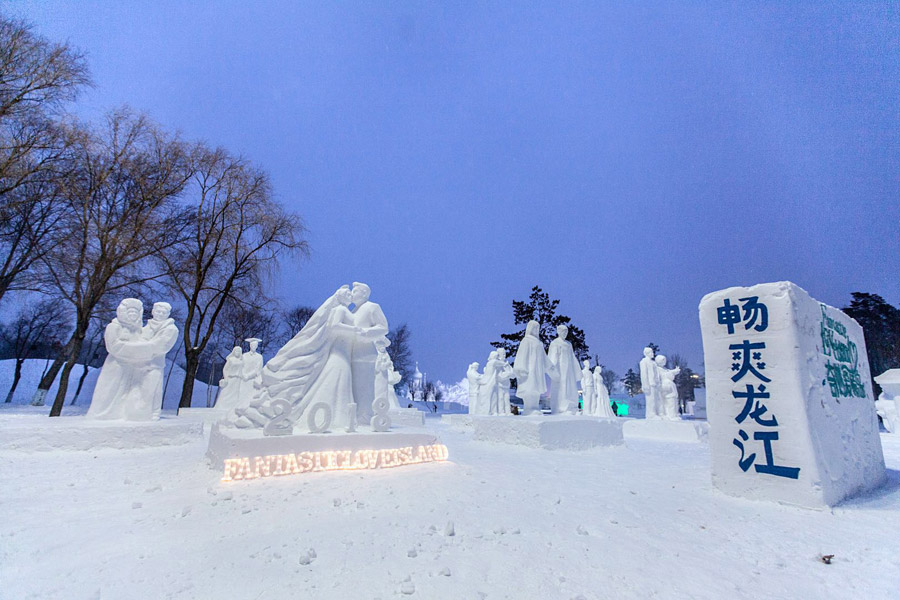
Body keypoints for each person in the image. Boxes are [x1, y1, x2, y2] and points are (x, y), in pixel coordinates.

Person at [88, 298, 155, 420]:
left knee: (124, 391)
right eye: (130, 313)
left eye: (136, 313)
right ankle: (100, 414)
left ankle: (118, 413)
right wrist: (140, 349)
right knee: (109, 390)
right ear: (124, 313)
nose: (133, 316)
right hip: (116, 365)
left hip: (131, 367)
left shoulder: (137, 330)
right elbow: (113, 346)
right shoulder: (114, 327)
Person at [349, 282, 389, 424]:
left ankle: (365, 418)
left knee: (364, 390)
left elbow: (384, 327)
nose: (352, 294)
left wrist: (366, 333)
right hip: (351, 356)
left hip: (366, 356)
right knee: (353, 390)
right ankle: (354, 418)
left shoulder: (372, 307)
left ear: (364, 293)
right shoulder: (352, 311)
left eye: (355, 291)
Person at [143, 302, 179, 419]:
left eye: (164, 312)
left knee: (153, 389)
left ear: (168, 314)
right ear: (153, 311)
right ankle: (138, 410)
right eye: (158, 311)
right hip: (139, 363)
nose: (160, 314)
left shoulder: (171, 329)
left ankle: (153, 412)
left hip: (155, 364)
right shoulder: (146, 327)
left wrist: (141, 348)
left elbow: (162, 346)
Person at [513, 320, 555, 415]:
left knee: (536, 390)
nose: (536, 330)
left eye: (538, 328)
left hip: (538, 370)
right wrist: (520, 368)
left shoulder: (538, 343)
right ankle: (529, 408)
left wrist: (550, 366)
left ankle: (535, 407)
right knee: (530, 389)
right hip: (529, 370)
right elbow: (521, 355)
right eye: (535, 328)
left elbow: (544, 357)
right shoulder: (526, 341)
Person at [548, 325, 581, 414]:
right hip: (561, 370)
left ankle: (572, 406)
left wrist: (577, 370)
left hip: (569, 370)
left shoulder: (568, 344)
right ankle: (562, 407)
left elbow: (573, 357)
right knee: (562, 387)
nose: (565, 334)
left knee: (570, 387)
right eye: (563, 332)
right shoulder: (555, 343)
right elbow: (553, 357)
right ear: (558, 332)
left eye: (566, 332)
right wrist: (552, 368)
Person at [216, 346, 244, 411]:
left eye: (239, 351)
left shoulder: (241, 360)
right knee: (227, 392)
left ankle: (233, 406)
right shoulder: (231, 359)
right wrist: (226, 378)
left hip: (238, 379)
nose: (238, 353)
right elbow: (225, 369)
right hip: (230, 379)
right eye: (236, 351)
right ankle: (222, 405)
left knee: (235, 394)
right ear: (234, 352)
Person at [640, 347, 661, 419]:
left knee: (656, 399)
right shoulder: (644, 362)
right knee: (650, 400)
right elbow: (643, 374)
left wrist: (658, 382)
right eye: (651, 352)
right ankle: (651, 414)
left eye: (652, 352)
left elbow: (656, 374)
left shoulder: (654, 363)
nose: (653, 354)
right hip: (649, 384)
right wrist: (645, 385)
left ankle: (656, 412)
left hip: (655, 384)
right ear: (647, 353)